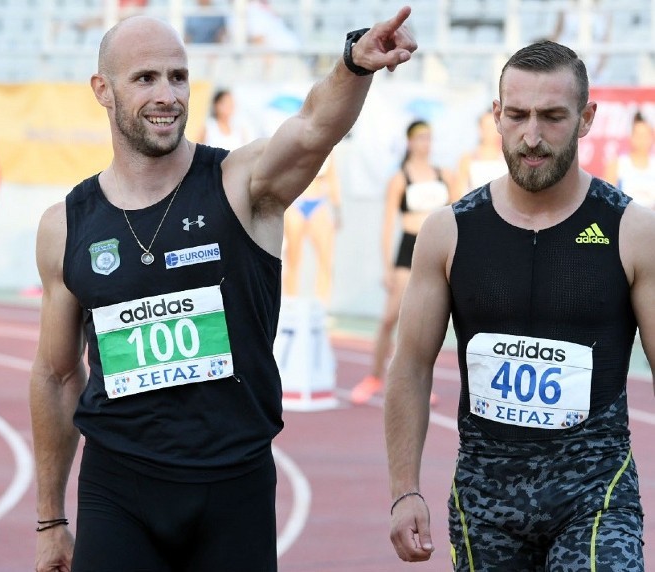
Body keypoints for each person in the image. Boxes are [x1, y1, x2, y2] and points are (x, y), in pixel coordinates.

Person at [30, 10, 416, 572]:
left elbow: (313, 127)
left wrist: (353, 64)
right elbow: (57, 375)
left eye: (178, 77)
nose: (167, 95)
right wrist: (49, 520)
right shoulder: (65, 226)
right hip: (117, 492)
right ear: (102, 90)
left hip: (234, 488)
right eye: (145, 78)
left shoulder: (241, 184)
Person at [385, 40, 655, 570]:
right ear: (496, 115)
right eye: (517, 115)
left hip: (596, 496)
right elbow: (411, 366)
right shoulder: (448, 232)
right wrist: (404, 491)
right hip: (485, 506)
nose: (532, 136)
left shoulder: (633, 231)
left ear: (586, 119)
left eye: (552, 116)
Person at [350, 120, 455, 405]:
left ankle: (420, 383)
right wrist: (387, 267)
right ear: (409, 142)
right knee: (389, 318)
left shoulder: (444, 175)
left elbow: (458, 214)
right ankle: (374, 376)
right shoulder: (400, 178)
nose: (425, 143)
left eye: (429, 137)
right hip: (408, 248)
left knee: (425, 323)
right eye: (420, 137)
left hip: (435, 248)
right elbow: (387, 225)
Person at [282, 153, 342, 309]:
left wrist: (337, 208)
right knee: (293, 259)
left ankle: (321, 308)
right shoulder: (295, 144)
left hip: (318, 200)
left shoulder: (327, 148)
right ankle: (290, 306)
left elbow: (332, 176)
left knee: (325, 259)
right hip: (296, 202)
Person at [604, 111, 655, 209]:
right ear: (631, 137)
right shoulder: (617, 164)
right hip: (625, 215)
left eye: (646, 135)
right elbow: (608, 199)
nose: (642, 140)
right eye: (639, 135)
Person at [455, 109, 508, 197]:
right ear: (480, 129)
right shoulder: (468, 159)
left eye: (493, 127)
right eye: (486, 127)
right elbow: (458, 194)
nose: (490, 131)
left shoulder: (508, 158)